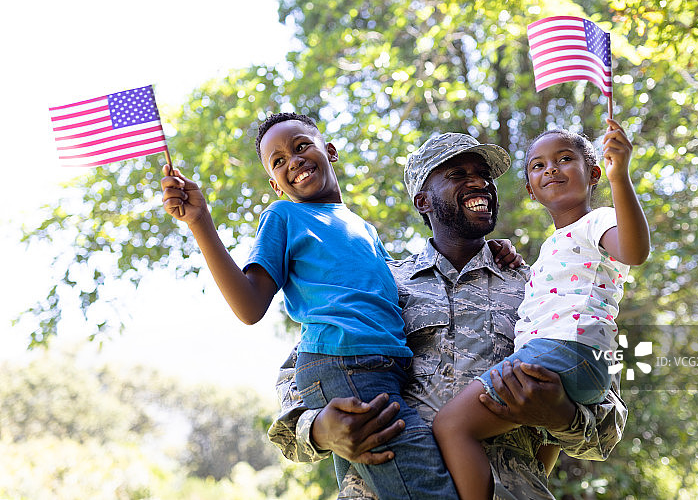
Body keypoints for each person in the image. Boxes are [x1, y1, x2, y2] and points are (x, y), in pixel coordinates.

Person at [268, 131, 630, 500]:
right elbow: (303, 383)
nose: (479, 183)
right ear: (423, 200)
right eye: (458, 174)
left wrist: (561, 415)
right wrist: (318, 430)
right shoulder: (381, 285)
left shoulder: (539, 286)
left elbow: (607, 421)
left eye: (484, 175)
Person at [161, 112, 459, 499]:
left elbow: (401, 287)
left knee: (412, 477)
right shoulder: (284, 216)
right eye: (279, 160)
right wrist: (201, 223)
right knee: (425, 488)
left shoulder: (362, 228)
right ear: (274, 183)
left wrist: (493, 250)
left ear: (329, 151)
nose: (294, 160)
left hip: (386, 367)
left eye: (301, 146)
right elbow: (250, 306)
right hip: (346, 363)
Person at [432, 119, 650, 500]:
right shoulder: (550, 249)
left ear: (593, 173)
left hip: (561, 350)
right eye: (538, 165)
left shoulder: (598, 221)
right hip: (573, 358)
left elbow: (634, 251)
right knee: (539, 438)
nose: (551, 168)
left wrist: (621, 180)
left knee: (452, 425)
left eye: (565, 159)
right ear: (531, 190)